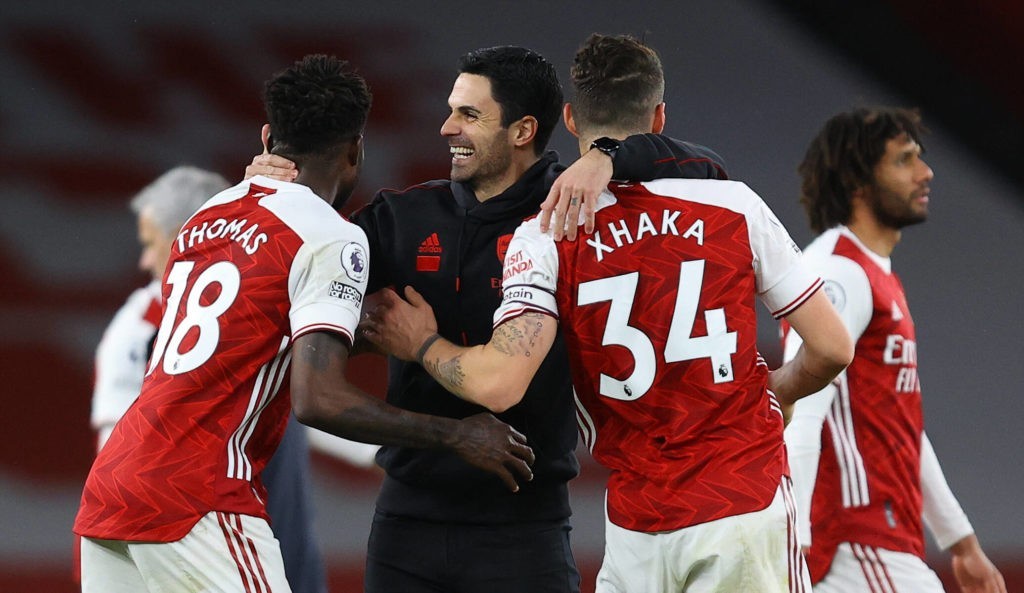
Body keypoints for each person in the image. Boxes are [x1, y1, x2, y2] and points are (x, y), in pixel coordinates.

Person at [362, 34, 854, 593]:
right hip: (741, 498)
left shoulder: (546, 234)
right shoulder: (732, 204)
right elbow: (833, 348)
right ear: (661, 115)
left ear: (570, 120)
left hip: (636, 526)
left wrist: (423, 343)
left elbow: (498, 384)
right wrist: (780, 391)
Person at [246, 44, 729, 593]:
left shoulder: (574, 207)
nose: (447, 128)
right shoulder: (400, 219)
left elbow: (705, 167)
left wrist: (608, 156)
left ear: (523, 131)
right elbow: (288, 293)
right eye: (453, 110)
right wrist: (270, 188)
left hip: (525, 531)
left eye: (469, 115)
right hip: (407, 525)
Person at [73, 54, 534, 593]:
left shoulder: (206, 215)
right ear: (355, 151)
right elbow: (319, 399)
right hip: (196, 493)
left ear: (268, 137)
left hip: (112, 487)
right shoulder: (330, 234)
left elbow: (241, 330)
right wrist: (457, 434)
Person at [90, 165, 380, 593]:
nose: (145, 260)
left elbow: (299, 399)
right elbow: (119, 439)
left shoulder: (252, 291)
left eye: (150, 244)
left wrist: (379, 453)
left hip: (248, 497)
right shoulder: (138, 325)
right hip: (193, 503)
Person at [781, 107, 1006, 593]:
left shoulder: (870, 270)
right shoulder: (840, 273)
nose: (925, 173)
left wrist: (961, 543)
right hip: (850, 538)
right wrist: (791, 546)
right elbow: (801, 413)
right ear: (858, 180)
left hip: (876, 542)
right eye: (904, 160)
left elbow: (901, 425)